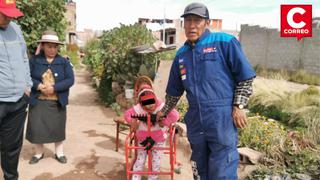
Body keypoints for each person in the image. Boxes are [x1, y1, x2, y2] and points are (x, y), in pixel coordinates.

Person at [156, 2, 256, 180]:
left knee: (222, 170)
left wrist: (238, 105)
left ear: (207, 22)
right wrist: (164, 112)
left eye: (197, 20)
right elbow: (174, 91)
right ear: (183, 24)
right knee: (200, 170)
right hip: (196, 119)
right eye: (188, 21)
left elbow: (245, 77)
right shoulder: (181, 55)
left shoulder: (225, 42)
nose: (192, 25)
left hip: (221, 119)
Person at [26, 30, 74, 164]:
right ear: (42, 46)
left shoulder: (63, 62)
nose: (52, 49)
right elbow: (26, 76)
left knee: (57, 127)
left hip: (57, 102)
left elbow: (70, 80)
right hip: (38, 101)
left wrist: (54, 88)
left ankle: (59, 153)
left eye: (55, 46)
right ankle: (38, 153)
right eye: (49, 46)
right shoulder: (34, 60)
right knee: (37, 127)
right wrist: (39, 86)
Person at [0, 1, 32, 179]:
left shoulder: (16, 29)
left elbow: (24, 58)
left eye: (11, 14)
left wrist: (27, 86)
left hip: (18, 101)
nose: (9, 17)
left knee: (12, 147)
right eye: (5, 14)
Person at [124, 84, 179, 180]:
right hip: (143, 139)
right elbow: (127, 114)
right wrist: (133, 121)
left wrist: (164, 121)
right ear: (141, 103)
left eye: (151, 102)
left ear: (155, 99)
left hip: (158, 139)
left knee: (156, 162)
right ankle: (136, 178)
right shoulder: (138, 109)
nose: (149, 106)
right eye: (146, 103)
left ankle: (152, 178)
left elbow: (175, 115)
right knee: (140, 160)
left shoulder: (162, 107)